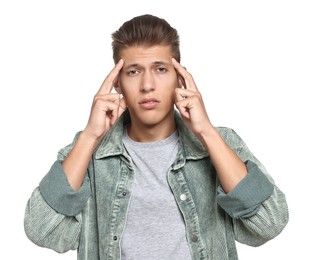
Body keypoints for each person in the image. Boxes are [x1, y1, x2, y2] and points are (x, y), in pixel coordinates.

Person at [24, 14, 289, 260]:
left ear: (180, 78)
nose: (148, 85)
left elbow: (269, 223)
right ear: (117, 83)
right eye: (134, 71)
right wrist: (91, 135)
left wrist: (206, 131)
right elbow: (41, 230)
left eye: (160, 69)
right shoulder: (90, 151)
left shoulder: (219, 142)